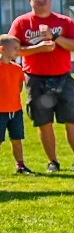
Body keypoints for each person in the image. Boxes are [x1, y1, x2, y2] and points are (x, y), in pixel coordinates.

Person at [9, 0, 74, 172]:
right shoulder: (21, 23)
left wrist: (55, 38)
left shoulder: (64, 21)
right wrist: (38, 48)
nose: (41, 0)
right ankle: (53, 162)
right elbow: (12, 50)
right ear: (29, 0)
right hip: (35, 78)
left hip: (63, 77)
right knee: (44, 122)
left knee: (73, 120)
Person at [1, 36, 32, 174]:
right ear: (2, 49)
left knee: (17, 139)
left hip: (15, 111)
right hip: (0, 112)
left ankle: (20, 165)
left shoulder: (18, 69)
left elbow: (19, 88)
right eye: (14, 48)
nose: (17, 51)